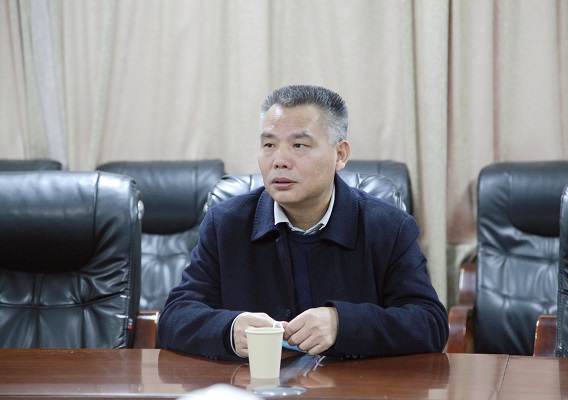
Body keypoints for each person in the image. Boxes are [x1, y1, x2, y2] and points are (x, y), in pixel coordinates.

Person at [157, 85, 448, 360]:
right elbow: (174, 317)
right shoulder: (226, 224)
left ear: (340, 155)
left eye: (298, 145)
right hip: (255, 385)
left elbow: (430, 324)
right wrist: (229, 329)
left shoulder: (388, 227)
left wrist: (342, 324)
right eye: (269, 144)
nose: (279, 161)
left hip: (353, 385)